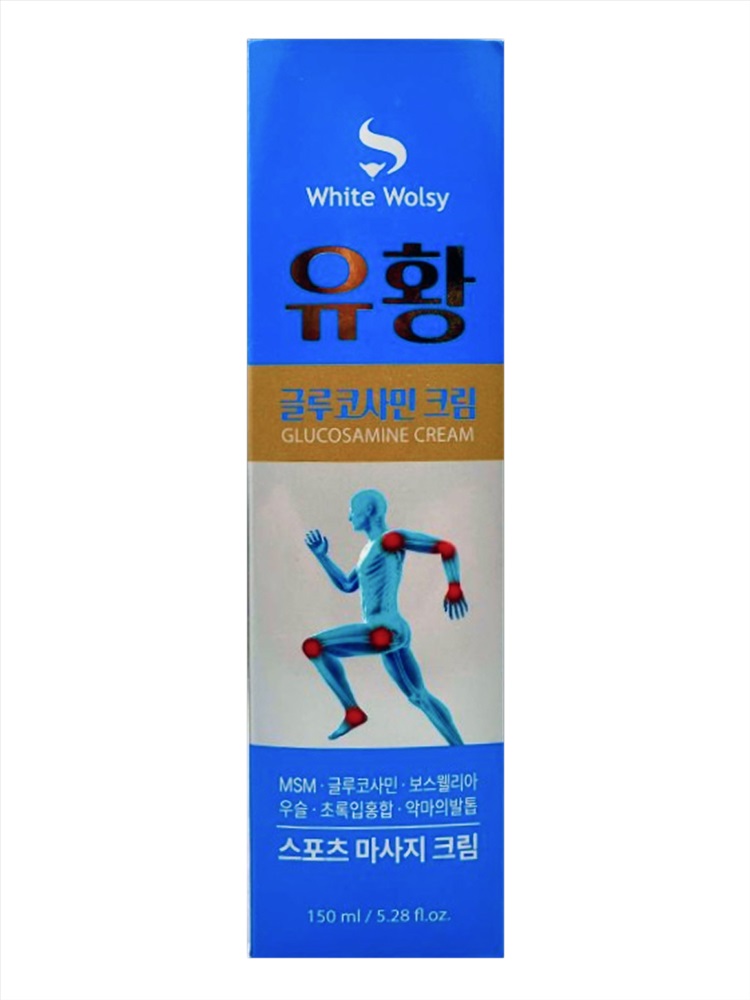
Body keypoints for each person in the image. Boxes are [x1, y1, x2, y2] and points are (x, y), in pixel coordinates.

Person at [302, 488, 467, 744]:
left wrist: (454, 586)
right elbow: (347, 585)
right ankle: (460, 749)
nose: (349, 517)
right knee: (419, 697)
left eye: (352, 511)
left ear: (368, 510)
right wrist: (322, 556)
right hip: (388, 632)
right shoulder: (368, 550)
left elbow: (446, 548)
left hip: (384, 631)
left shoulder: (391, 540)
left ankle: (352, 712)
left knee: (314, 646)